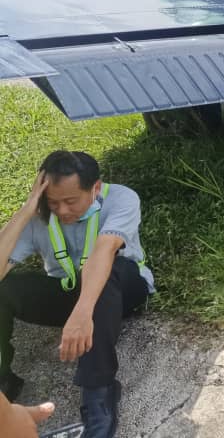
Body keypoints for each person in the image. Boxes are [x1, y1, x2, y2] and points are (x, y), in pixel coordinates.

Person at [0, 151, 154, 438]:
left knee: (108, 270)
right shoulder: (39, 214)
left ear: (94, 188)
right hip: (69, 295)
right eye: (53, 202)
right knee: (3, 290)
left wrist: (83, 314)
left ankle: (99, 393)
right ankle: (3, 387)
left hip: (121, 288)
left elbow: (104, 251)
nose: (62, 210)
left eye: (71, 201)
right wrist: (26, 210)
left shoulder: (121, 199)